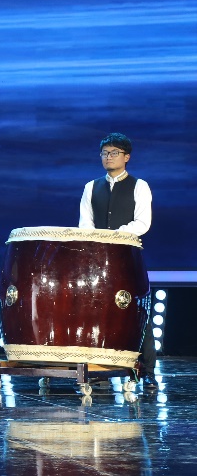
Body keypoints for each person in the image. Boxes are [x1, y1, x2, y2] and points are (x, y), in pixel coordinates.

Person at [77, 132, 156, 388]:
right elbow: (85, 224)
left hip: (127, 256)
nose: (108, 157)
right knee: (96, 310)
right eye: (104, 153)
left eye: (114, 153)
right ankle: (98, 368)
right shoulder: (91, 187)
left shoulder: (139, 186)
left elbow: (143, 222)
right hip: (97, 259)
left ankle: (147, 370)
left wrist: (117, 235)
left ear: (126, 157)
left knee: (137, 310)